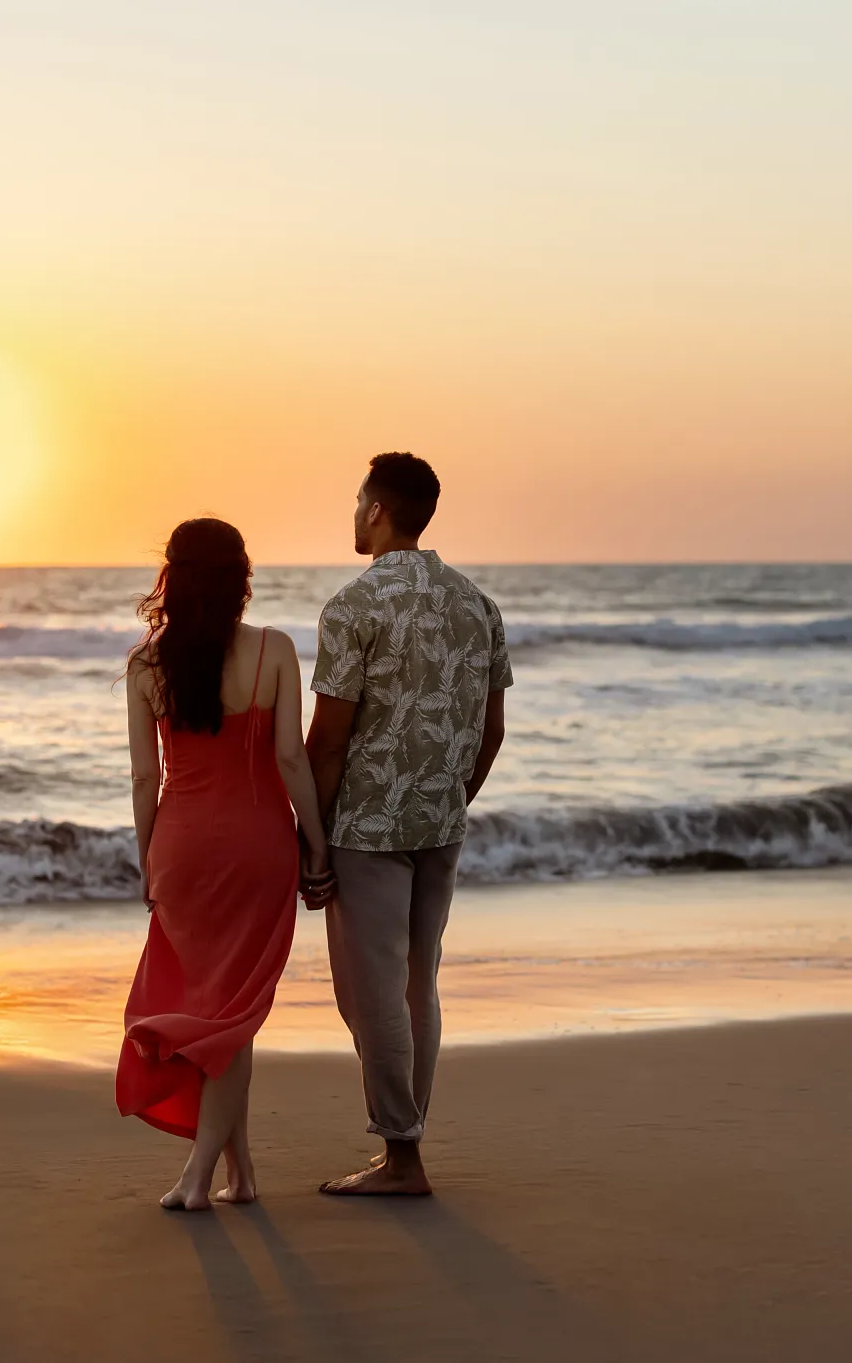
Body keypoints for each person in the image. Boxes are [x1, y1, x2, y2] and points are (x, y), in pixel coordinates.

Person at [305, 452, 511, 1196]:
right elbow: (491, 731)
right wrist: (456, 794)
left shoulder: (353, 606)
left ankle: (402, 1156)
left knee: (371, 994)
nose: (354, 511)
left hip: (368, 827)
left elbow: (326, 740)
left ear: (377, 511)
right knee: (418, 981)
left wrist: (311, 836)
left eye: (358, 499)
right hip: (441, 820)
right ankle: (407, 1138)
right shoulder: (476, 604)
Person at [116, 518, 333, 1211]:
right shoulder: (274, 650)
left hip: (180, 847)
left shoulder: (146, 666)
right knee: (233, 1014)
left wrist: (149, 859)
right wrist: (317, 841)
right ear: (239, 578)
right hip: (256, 847)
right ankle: (200, 1175)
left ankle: (239, 1173)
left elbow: (145, 779)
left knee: (219, 1010)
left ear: (172, 579)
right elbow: (291, 759)